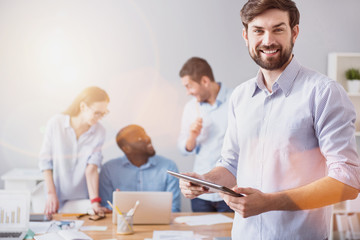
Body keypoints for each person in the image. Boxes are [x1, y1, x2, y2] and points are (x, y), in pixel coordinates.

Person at [179, 0, 360, 239]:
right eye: (258, 31)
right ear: (246, 35)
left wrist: (268, 202)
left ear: (294, 32)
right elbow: (232, 163)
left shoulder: (324, 93)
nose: (267, 40)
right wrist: (206, 180)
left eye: (278, 29)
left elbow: (347, 182)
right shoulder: (240, 97)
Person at [39, 86, 110, 216]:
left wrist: (94, 201)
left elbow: (92, 168)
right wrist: (51, 193)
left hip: (81, 197)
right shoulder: (56, 123)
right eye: (97, 113)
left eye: (103, 113)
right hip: (55, 195)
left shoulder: (99, 131)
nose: (99, 117)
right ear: (83, 107)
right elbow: (45, 163)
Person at [178, 57, 233, 212]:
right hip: (201, 194)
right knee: (201, 235)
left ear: (204, 81)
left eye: (189, 86)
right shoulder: (190, 108)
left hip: (229, 191)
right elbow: (183, 148)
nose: (188, 92)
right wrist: (192, 136)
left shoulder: (235, 99)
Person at [99, 124, 181, 212]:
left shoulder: (168, 167)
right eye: (139, 138)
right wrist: (119, 204)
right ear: (126, 149)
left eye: (145, 134)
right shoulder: (109, 169)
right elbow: (105, 206)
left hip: (161, 225)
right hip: (124, 223)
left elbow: (174, 208)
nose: (147, 139)